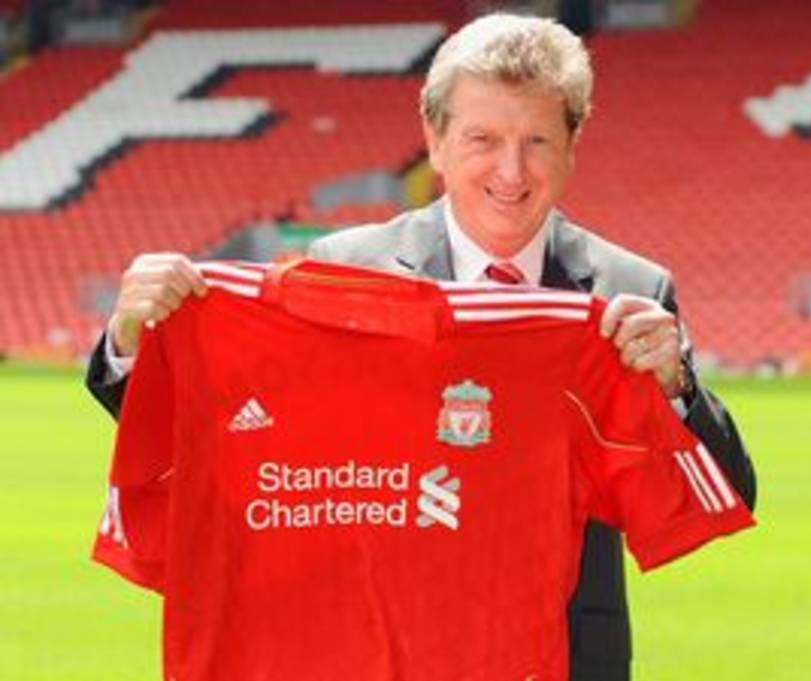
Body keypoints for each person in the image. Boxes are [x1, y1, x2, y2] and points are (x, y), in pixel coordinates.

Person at [86, 14, 756, 681]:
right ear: (435, 142)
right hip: (379, 651)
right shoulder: (346, 270)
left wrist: (675, 388)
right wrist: (137, 342)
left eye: (537, 141)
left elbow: (723, 492)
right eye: (483, 139)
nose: (511, 171)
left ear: (571, 145)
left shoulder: (626, 291)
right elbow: (232, 428)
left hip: (558, 658)